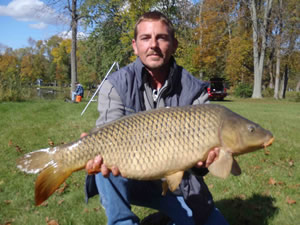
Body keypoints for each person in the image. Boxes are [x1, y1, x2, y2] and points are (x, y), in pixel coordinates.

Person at [83, 11, 229, 225]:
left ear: (174, 44)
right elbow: (106, 135)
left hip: (179, 182)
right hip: (130, 177)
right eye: (145, 38)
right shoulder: (115, 84)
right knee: (103, 162)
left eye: (161, 37)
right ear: (135, 46)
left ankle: (162, 220)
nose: (153, 45)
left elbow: (203, 163)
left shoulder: (195, 90)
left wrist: (202, 163)